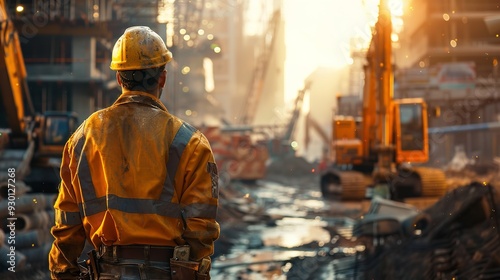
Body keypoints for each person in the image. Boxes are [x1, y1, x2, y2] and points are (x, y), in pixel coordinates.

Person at [48, 26, 220, 279]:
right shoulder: (190, 142)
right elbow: (201, 230)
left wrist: (63, 273)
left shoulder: (83, 138)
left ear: (119, 79)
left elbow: (67, 223)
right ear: (162, 78)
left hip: (106, 272)